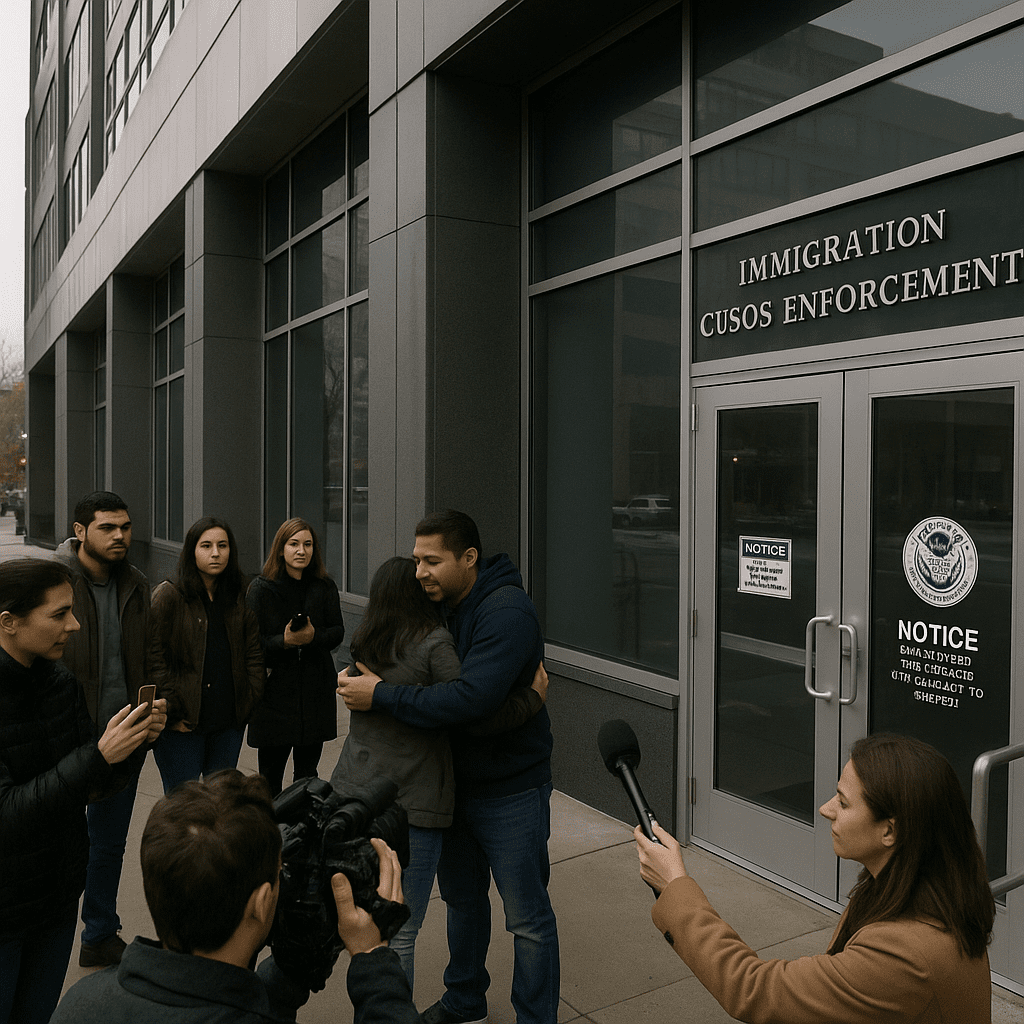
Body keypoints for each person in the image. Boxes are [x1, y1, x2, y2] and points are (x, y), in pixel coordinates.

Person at [338, 509, 559, 1024]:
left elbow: (468, 704)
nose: (420, 573)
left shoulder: (505, 612)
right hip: (454, 790)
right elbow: (447, 699)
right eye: (416, 560)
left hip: (510, 791)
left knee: (527, 918)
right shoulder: (443, 610)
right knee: (463, 903)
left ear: (469, 558)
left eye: (432, 561)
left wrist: (384, 694)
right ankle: (465, 998)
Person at [635, 733, 995, 1024]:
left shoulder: (905, 954)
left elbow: (751, 988)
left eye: (843, 802)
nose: (825, 809)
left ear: (890, 831)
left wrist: (674, 885)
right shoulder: (919, 890)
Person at [51, 769, 420, 1024]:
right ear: (261, 903)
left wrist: (293, 968)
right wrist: (374, 962)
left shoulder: (80, 1003)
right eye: (282, 872)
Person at [0, 558, 164, 1024]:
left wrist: (133, 744)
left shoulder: (59, 682)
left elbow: (91, 785)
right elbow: (8, 812)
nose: (73, 625)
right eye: (58, 615)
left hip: (54, 898)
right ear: (9, 622)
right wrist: (97, 754)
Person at [55, 490, 153, 968]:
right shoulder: (53, 585)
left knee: (110, 842)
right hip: (65, 740)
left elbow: (148, 655)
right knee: (57, 842)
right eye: (108, 528)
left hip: (124, 737)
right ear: (80, 532)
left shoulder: (135, 583)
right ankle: (45, 931)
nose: (120, 536)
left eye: (125, 527)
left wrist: (155, 704)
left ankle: (98, 932)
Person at [147, 516, 264, 793]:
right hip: (183, 726)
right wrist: (172, 711)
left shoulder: (239, 596)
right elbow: (153, 657)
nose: (215, 553)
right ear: (191, 551)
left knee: (222, 803)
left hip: (227, 723)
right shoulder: (169, 595)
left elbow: (254, 655)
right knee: (183, 806)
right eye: (206, 545)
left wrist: (248, 701)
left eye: (222, 546)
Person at [247, 518, 345, 796]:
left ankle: (300, 833)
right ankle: (268, 834)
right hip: (275, 696)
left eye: (308, 544)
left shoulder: (324, 586)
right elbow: (251, 644)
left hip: (314, 695)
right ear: (281, 549)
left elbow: (337, 632)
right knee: (269, 778)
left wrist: (313, 638)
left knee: (307, 777)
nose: (301, 551)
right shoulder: (261, 589)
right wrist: (285, 641)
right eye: (294, 544)